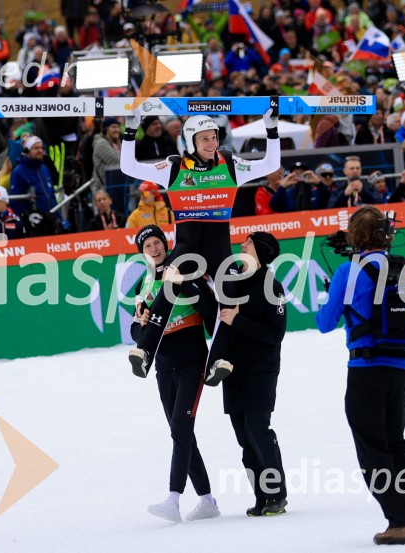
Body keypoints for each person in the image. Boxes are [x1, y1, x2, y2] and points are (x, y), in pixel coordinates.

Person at [120, 110, 281, 383]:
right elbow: (130, 168)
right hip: (187, 247)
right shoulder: (174, 167)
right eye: (204, 138)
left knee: (230, 298)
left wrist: (272, 131)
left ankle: (219, 358)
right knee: (169, 281)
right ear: (189, 142)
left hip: (219, 251)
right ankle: (145, 351)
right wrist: (130, 133)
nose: (211, 143)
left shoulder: (229, 163)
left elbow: (270, 164)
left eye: (214, 137)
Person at [316, 206, 405, 545]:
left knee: (372, 447)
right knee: (395, 441)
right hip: (404, 366)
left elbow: (325, 323)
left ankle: (399, 520)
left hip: (367, 367)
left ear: (355, 237)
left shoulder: (347, 271)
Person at [131, 225, 221, 523]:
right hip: (163, 367)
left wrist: (184, 284)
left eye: (158, 242)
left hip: (192, 362)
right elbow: (135, 331)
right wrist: (141, 321)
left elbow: (211, 312)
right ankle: (207, 500)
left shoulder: (185, 270)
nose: (154, 248)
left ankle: (173, 499)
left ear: (166, 244)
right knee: (180, 432)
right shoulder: (143, 285)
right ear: (142, 253)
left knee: (181, 429)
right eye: (148, 246)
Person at [219, 231, 288, 517]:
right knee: (243, 436)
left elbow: (275, 333)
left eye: (247, 242)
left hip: (261, 368)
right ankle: (261, 496)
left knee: (257, 429)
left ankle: (277, 495)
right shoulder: (232, 278)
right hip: (233, 369)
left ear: (259, 250)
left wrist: (238, 320)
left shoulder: (273, 285)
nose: (241, 244)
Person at [9, 135, 58, 216]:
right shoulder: (18, 171)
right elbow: (15, 200)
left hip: (50, 217)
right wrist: (26, 218)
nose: (40, 150)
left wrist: (58, 215)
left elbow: (51, 195)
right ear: (27, 151)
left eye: (41, 148)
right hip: (33, 219)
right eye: (36, 148)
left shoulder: (44, 169)